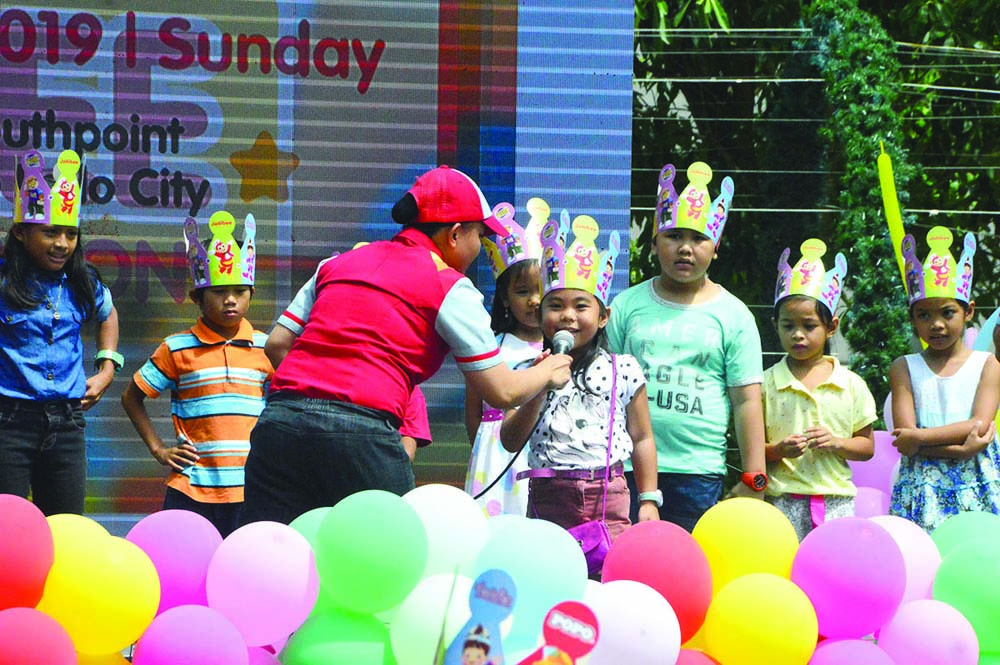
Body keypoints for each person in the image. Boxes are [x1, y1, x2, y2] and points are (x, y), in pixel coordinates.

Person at [241, 165, 572, 525]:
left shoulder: (338, 263)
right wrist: (547, 371)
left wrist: (318, 390)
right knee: (386, 564)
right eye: (480, 235)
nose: (480, 246)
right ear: (456, 234)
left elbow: (276, 345)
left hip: (279, 425)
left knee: (276, 553)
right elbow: (503, 392)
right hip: (360, 434)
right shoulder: (450, 285)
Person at [606, 161, 767, 532]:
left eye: (698, 238)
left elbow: (747, 401)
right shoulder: (626, 307)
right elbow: (609, 393)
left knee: (688, 573)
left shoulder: (735, 316)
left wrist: (754, 478)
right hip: (630, 468)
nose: (685, 248)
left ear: (716, 246)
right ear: (653, 243)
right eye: (674, 236)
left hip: (699, 472)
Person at [500, 215, 659, 544]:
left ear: (603, 317)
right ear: (542, 315)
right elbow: (510, 440)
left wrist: (648, 498)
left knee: (606, 573)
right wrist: (540, 385)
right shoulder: (529, 370)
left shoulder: (623, 369)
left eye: (581, 306)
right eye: (555, 306)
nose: (568, 316)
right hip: (548, 493)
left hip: (608, 495)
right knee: (549, 573)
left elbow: (642, 437)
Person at [121, 211, 272, 537]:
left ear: (251, 294)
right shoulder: (176, 348)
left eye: (239, 290)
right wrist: (159, 449)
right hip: (191, 489)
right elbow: (132, 397)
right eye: (219, 292)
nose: (230, 300)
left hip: (250, 488)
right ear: (197, 298)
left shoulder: (267, 348)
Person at [0, 149, 121, 516]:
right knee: (9, 528)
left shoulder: (82, 281)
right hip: (9, 422)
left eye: (70, 234)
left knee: (67, 527)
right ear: (21, 232)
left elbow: (108, 314)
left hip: (67, 423)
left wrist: (106, 369)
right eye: (51, 233)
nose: (62, 244)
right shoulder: (5, 282)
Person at [264, 244, 432, 462]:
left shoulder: (403, 381)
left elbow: (276, 343)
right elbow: (402, 458)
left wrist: (309, 388)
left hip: (287, 424)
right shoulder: (400, 376)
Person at [763, 240, 877, 540]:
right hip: (782, 498)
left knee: (833, 572)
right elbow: (752, 449)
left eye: (809, 325)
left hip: (836, 499)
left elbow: (867, 447)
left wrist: (837, 442)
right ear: (775, 325)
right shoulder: (765, 384)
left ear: (831, 326)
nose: (797, 334)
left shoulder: (851, 384)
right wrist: (777, 451)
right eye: (788, 326)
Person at [889, 226, 1000, 531]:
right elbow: (903, 436)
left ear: (968, 311)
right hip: (922, 484)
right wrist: (963, 448)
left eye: (947, 313)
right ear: (912, 318)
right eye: (923, 315)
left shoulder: (988, 364)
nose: (936, 325)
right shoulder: (904, 367)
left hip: (976, 483)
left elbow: (978, 425)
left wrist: (921, 440)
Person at [464, 198, 546, 516]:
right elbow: (473, 410)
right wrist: (483, 451)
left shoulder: (558, 350)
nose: (534, 300)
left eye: (541, 290)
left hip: (541, 453)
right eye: (523, 291)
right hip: (493, 456)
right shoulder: (491, 345)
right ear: (505, 297)